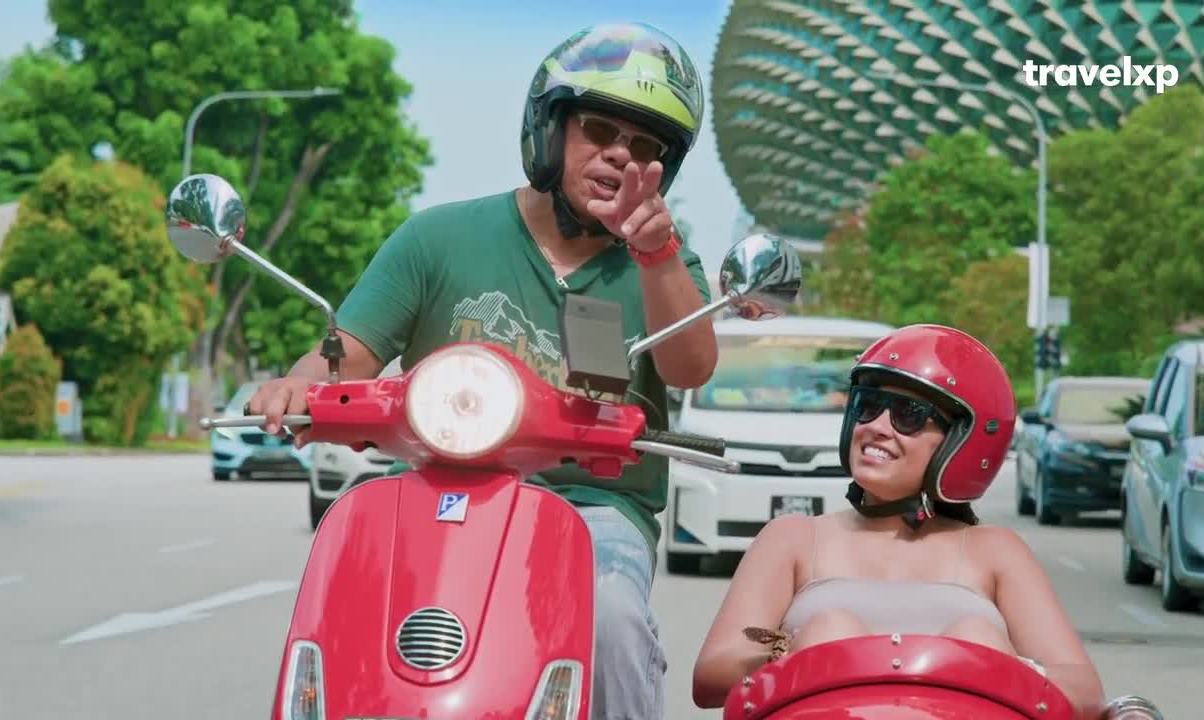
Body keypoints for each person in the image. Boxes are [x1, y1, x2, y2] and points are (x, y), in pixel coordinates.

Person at [247, 22, 717, 719]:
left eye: (645, 147)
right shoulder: (438, 238)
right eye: (598, 130)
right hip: (435, 489)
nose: (620, 156)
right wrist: (299, 383)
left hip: (592, 508)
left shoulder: (665, 266)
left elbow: (689, 368)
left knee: (613, 617)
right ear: (550, 127)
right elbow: (347, 351)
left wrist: (656, 255)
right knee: (347, 601)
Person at [691, 324, 1108, 719]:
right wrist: (801, 651)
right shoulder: (793, 538)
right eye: (867, 407)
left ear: (961, 441)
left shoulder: (996, 551)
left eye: (908, 414)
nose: (876, 427)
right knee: (832, 628)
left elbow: (1084, 692)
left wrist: (994, 660)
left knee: (976, 636)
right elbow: (711, 675)